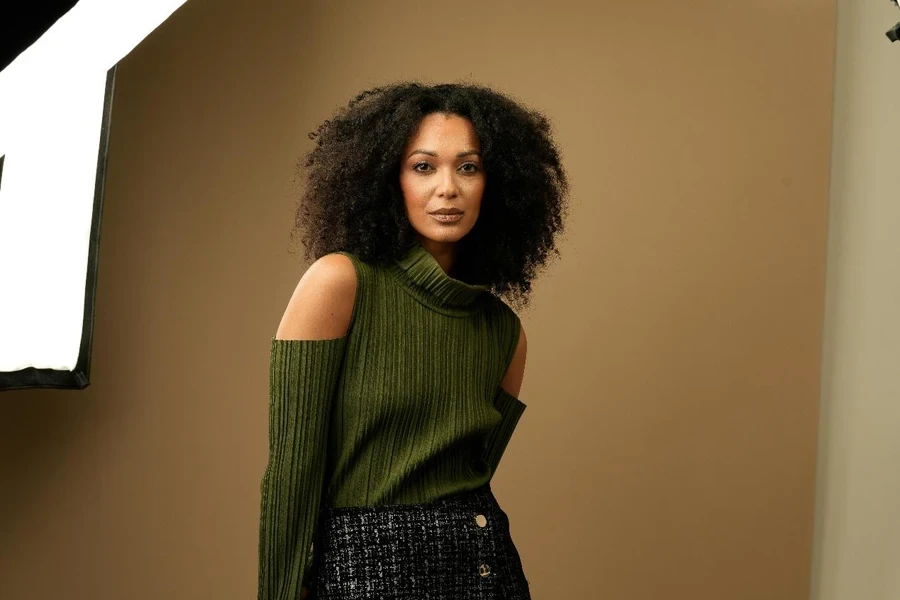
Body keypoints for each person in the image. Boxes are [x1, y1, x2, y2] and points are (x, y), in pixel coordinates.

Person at [257, 80, 569, 600]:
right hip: (361, 569)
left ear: (497, 184)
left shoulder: (503, 331)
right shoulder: (339, 282)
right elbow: (292, 471)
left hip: (484, 570)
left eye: (468, 167)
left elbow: (474, 474)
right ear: (386, 179)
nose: (448, 187)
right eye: (423, 166)